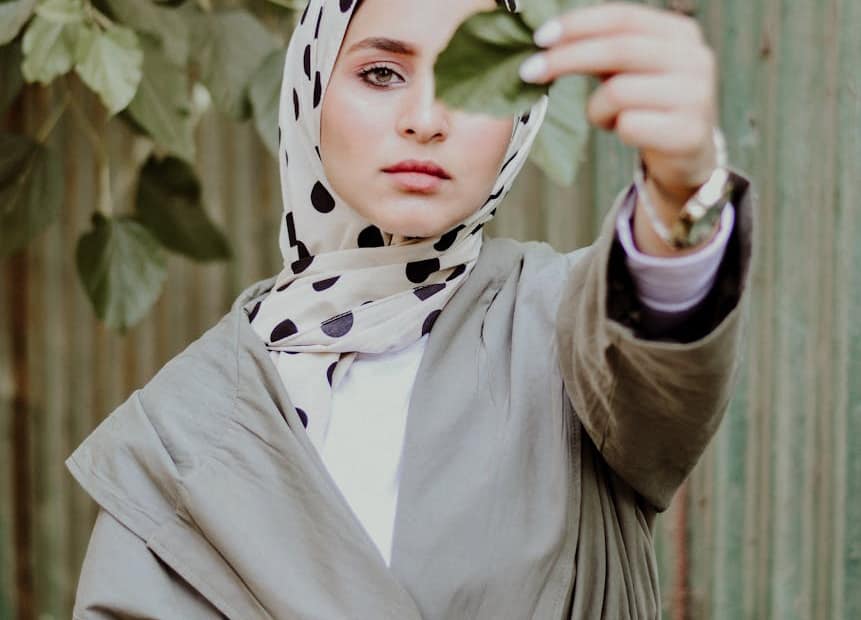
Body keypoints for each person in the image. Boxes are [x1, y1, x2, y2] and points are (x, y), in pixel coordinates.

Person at [65, 0, 756, 618]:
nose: (426, 120)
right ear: (310, 87)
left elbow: (657, 358)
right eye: (381, 74)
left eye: (474, 80)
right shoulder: (182, 426)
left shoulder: (562, 325)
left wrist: (678, 194)